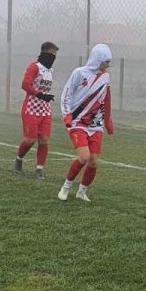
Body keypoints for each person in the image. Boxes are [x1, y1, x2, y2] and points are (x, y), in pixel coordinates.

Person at [58, 44, 114, 202]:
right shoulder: (79, 73)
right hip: (77, 122)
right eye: (106, 61)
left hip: (96, 125)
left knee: (93, 162)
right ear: (98, 59)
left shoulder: (105, 76)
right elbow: (66, 94)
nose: (107, 65)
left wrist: (108, 120)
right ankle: (66, 187)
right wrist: (67, 115)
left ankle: (82, 192)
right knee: (84, 156)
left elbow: (107, 98)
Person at [14, 41, 59, 179]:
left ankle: (40, 169)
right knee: (30, 139)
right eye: (52, 54)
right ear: (45, 53)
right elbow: (25, 85)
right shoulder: (34, 67)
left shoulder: (50, 70)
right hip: (31, 108)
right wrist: (40, 95)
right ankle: (19, 159)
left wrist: (46, 97)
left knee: (44, 139)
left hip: (45, 110)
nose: (54, 57)